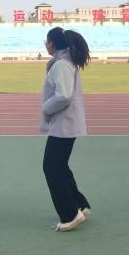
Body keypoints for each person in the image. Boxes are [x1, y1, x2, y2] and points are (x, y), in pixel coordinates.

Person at [40, 27, 91, 232]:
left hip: (64, 125)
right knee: (60, 166)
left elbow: (64, 96)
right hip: (65, 123)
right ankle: (79, 205)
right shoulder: (64, 61)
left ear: (52, 43)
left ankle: (70, 214)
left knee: (51, 167)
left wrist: (47, 109)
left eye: (46, 41)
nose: (45, 45)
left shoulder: (61, 64)